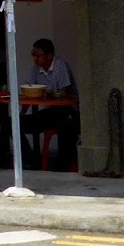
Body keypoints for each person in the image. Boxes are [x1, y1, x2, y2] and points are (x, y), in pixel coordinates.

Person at [23, 38, 80, 171]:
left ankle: (63, 166)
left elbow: (63, 93)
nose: (35, 59)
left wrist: (47, 94)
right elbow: (32, 92)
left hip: (67, 111)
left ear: (49, 55)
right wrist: (21, 113)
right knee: (14, 124)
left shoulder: (60, 66)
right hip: (49, 112)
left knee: (66, 126)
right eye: (33, 55)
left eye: (38, 55)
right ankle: (30, 160)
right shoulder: (36, 69)